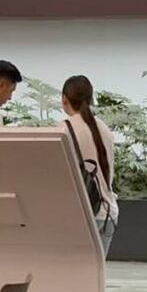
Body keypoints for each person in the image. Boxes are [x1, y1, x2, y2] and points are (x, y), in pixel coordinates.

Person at [60, 75, 118, 253]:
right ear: (91, 99)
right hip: (107, 212)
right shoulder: (103, 128)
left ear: (64, 99)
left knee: (74, 277)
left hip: (81, 216)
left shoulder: (63, 129)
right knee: (96, 277)